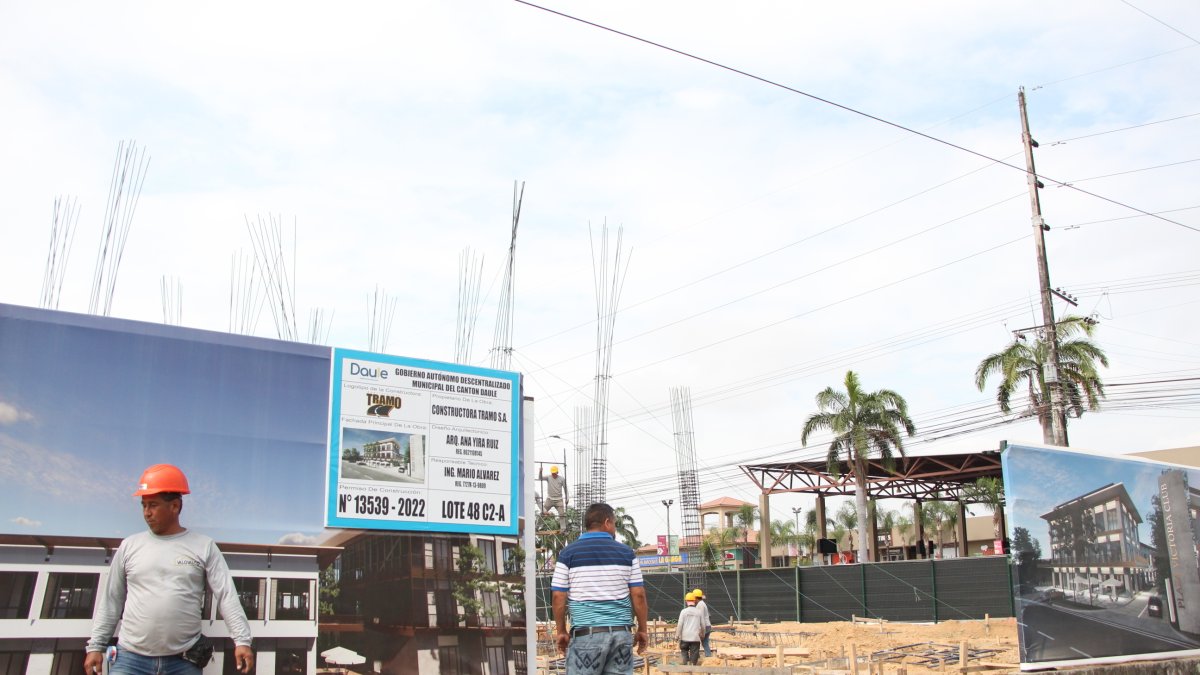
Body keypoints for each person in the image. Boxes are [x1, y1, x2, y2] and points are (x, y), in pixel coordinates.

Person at [85, 464, 255, 675]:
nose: (147, 513)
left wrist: (242, 640)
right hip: (130, 660)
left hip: (183, 662)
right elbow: (112, 599)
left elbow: (226, 595)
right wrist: (96, 646)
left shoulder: (203, 546)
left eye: (153, 505)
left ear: (175, 506)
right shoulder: (129, 546)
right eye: (144, 505)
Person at [552, 502, 649, 675]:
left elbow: (558, 597)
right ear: (607, 522)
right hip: (621, 636)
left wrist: (561, 631)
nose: (614, 529)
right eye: (614, 524)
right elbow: (639, 595)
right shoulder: (627, 553)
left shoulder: (567, 554)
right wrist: (642, 629)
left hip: (585, 637)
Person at [676, 592, 707, 665]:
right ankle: (693, 667)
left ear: (686, 601)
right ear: (694, 601)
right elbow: (703, 625)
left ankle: (686, 665)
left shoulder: (683, 612)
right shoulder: (698, 612)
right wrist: (703, 634)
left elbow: (680, 625)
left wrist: (677, 635)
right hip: (695, 637)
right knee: (694, 653)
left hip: (685, 637)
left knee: (684, 650)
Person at [538, 465, 569, 531]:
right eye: (552, 473)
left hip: (559, 500)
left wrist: (567, 497)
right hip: (550, 499)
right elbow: (540, 478)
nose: (553, 474)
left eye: (554, 473)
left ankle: (563, 529)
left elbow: (565, 489)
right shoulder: (548, 477)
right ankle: (536, 527)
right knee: (543, 512)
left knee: (562, 514)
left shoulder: (562, 479)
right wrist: (540, 472)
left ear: (557, 472)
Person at [692, 588, 713, 657]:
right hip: (707, 625)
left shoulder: (700, 605)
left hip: (704, 626)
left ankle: (696, 656)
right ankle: (708, 655)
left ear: (695, 597)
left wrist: (700, 629)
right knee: (705, 642)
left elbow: (700, 618)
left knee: (695, 641)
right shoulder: (702, 604)